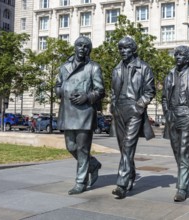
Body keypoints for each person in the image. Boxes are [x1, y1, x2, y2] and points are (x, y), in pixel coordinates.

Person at [55, 36, 105, 195]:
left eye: (86, 46)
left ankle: (80, 182)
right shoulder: (64, 67)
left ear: (89, 50)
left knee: (82, 149)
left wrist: (87, 97)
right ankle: (93, 164)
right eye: (79, 46)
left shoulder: (93, 67)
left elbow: (100, 90)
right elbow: (57, 85)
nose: (82, 49)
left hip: (85, 113)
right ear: (75, 47)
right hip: (68, 112)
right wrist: (61, 91)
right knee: (71, 147)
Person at [111, 36, 156, 199]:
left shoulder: (143, 67)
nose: (123, 51)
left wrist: (140, 105)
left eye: (126, 48)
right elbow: (113, 91)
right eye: (120, 48)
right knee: (124, 148)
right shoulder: (116, 69)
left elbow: (150, 90)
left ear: (133, 49)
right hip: (119, 110)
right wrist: (113, 106)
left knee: (128, 145)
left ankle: (121, 184)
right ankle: (130, 175)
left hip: (134, 109)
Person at [162, 46, 189, 202]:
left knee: (184, 152)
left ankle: (182, 187)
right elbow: (164, 97)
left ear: (188, 58)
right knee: (177, 151)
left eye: (181, 55)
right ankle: (184, 175)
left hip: (187, 116)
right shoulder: (169, 75)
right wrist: (166, 112)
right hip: (172, 115)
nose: (177, 57)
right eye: (176, 54)